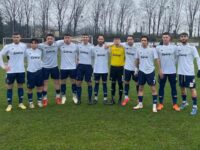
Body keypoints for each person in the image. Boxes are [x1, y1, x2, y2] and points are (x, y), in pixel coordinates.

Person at [0, 33, 27, 112]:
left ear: (20, 38)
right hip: (11, 71)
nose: (16, 38)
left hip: (21, 70)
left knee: (20, 86)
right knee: (9, 87)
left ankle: (20, 103)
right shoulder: (7, 46)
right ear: (12, 38)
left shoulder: (24, 46)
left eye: (17, 37)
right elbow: (0, 54)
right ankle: (9, 105)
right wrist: (3, 66)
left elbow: (26, 55)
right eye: (14, 37)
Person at [133, 35, 159, 113]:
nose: (143, 42)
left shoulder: (152, 50)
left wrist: (159, 69)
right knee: (140, 88)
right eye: (142, 40)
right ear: (141, 41)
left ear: (147, 41)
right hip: (141, 71)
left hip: (150, 71)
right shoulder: (138, 50)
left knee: (153, 89)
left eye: (145, 40)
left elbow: (157, 60)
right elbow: (137, 60)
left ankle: (154, 106)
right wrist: (136, 69)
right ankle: (140, 104)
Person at [177, 32, 200, 115]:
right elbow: (175, 59)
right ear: (180, 38)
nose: (183, 38)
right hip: (181, 73)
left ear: (187, 38)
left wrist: (199, 69)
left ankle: (194, 107)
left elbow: (197, 58)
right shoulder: (178, 48)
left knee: (192, 89)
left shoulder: (192, 48)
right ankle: (184, 102)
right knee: (182, 88)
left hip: (190, 73)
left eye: (185, 36)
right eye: (182, 36)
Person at [156, 32, 180, 111]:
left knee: (173, 87)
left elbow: (177, 58)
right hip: (162, 72)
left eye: (167, 37)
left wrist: (173, 65)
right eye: (164, 37)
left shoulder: (174, 47)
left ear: (169, 38)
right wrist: (160, 70)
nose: (165, 38)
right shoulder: (158, 48)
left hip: (172, 72)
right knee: (161, 87)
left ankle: (175, 104)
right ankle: (160, 104)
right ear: (162, 38)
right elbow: (158, 59)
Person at [38, 33, 62, 107]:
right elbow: (32, 45)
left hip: (54, 67)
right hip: (45, 67)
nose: (49, 40)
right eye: (48, 39)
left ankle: (58, 97)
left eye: (51, 38)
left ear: (54, 39)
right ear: (46, 39)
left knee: (57, 83)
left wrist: (78, 39)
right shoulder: (42, 45)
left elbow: (66, 39)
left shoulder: (57, 44)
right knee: (45, 83)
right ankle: (45, 99)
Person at [59, 34, 78, 104]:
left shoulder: (75, 46)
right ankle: (63, 97)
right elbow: (55, 42)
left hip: (72, 67)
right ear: (63, 39)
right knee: (63, 82)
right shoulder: (61, 45)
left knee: (73, 82)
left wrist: (77, 60)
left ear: (71, 38)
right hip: (63, 68)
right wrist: (63, 40)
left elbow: (79, 53)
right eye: (65, 38)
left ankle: (74, 96)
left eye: (68, 38)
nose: (67, 39)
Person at [76, 34, 94, 105]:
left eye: (86, 37)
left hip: (88, 66)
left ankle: (90, 99)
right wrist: (77, 60)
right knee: (78, 82)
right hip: (80, 66)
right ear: (82, 38)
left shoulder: (91, 47)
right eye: (84, 37)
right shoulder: (78, 46)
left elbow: (93, 56)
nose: (85, 38)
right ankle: (79, 99)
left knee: (89, 82)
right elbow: (76, 54)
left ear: (88, 39)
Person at [121, 35, 139, 106]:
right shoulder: (125, 46)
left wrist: (136, 68)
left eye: (131, 39)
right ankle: (126, 97)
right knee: (126, 82)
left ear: (133, 40)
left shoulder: (136, 48)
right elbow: (117, 43)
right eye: (128, 39)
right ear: (127, 40)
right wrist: (107, 46)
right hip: (127, 68)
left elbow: (138, 59)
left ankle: (139, 98)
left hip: (135, 69)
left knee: (137, 83)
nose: (129, 41)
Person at [25, 38, 43, 108]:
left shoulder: (40, 51)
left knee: (39, 87)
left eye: (35, 43)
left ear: (37, 44)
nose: (34, 44)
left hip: (39, 71)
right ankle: (30, 102)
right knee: (30, 88)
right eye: (32, 43)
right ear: (30, 44)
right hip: (30, 72)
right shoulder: (27, 51)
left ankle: (39, 101)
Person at [109, 36, 125, 105]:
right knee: (113, 83)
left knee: (120, 83)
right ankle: (112, 98)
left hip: (120, 68)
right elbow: (105, 46)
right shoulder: (111, 47)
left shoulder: (123, 48)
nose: (116, 41)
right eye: (115, 40)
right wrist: (111, 44)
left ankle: (120, 98)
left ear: (120, 41)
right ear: (113, 41)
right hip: (113, 68)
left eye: (118, 40)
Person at [93, 35, 109, 104]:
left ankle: (105, 98)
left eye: (102, 39)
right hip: (96, 70)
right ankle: (95, 98)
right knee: (96, 84)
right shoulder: (94, 48)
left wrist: (108, 45)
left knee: (104, 84)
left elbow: (115, 44)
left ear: (103, 40)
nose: (100, 40)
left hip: (104, 70)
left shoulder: (107, 48)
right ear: (97, 40)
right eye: (99, 39)